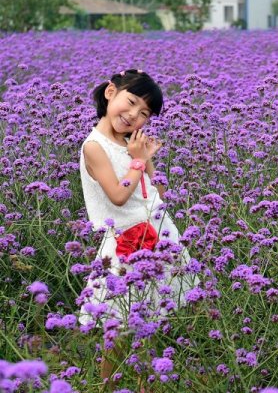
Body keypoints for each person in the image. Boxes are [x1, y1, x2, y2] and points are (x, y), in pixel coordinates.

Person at [78, 69, 194, 387]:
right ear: (110, 93)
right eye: (130, 103)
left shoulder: (131, 144)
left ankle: (145, 385)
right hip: (125, 242)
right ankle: (108, 387)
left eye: (144, 113)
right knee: (117, 331)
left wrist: (147, 160)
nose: (133, 116)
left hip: (157, 233)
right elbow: (117, 196)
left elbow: (158, 194)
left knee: (149, 324)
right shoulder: (94, 147)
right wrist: (137, 161)